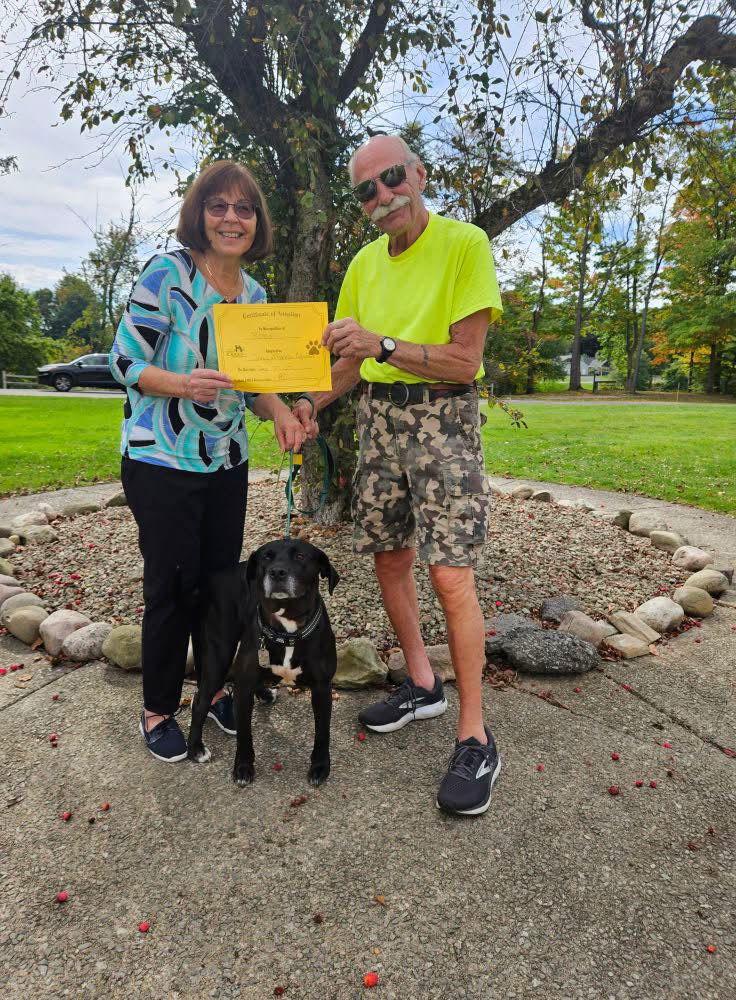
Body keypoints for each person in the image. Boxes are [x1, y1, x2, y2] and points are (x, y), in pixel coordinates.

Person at [293, 135, 503, 816]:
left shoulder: (464, 244)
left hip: (443, 421)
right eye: (366, 191)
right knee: (389, 556)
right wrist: (306, 404)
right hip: (380, 419)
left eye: (390, 180)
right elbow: (350, 363)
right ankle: (422, 682)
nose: (382, 198)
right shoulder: (362, 265)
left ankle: (474, 734)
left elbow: (464, 362)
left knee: (450, 573)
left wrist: (383, 344)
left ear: (417, 174)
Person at [110, 160, 315, 763]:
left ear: (256, 223)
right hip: (161, 460)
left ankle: (217, 690)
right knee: (172, 587)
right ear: (199, 214)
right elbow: (123, 363)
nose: (232, 218)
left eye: (244, 208)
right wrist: (181, 383)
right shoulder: (165, 274)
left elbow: (253, 385)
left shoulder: (252, 296)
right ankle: (158, 709)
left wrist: (279, 412)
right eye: (219, 206)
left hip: (225, 463)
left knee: (222, 586)